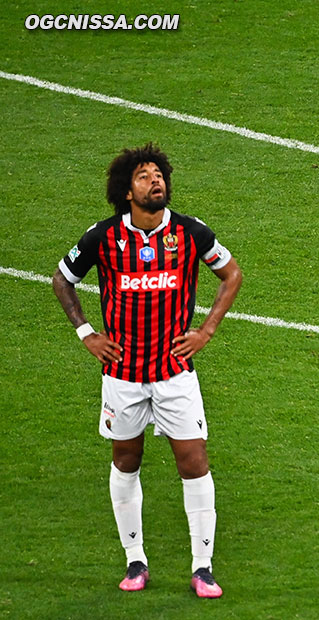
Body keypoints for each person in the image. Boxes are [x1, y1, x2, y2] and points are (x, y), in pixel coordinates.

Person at [52, 143, 242, 598]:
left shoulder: (191, 233)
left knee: (193, 461)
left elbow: (231, 273)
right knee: (126, 460)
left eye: (158, 174)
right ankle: (135, 560)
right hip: (123, 376)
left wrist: (206, 330)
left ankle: (203, 567)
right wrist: (86, 333)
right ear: (126, 190)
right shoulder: (102, 238)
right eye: (143, 175)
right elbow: (62, 279)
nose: (154, 180)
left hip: (176, 373)